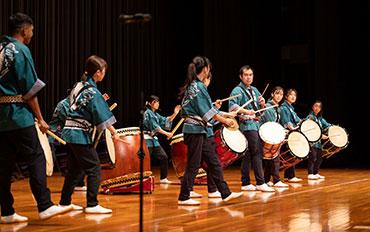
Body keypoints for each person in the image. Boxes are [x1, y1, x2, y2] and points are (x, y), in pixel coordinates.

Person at [0, 13, 72, 223]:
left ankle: (6, 211)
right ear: (24, 30)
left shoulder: (1, 48)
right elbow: (30, 90)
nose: (33, 33)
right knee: (36, 157)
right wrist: (40, 118)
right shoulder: (20, 50)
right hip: (18, 114)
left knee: (3, 166)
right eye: (31, 29)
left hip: (1, 117)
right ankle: (45, 205)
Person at [177, 56, 243, 205]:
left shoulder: (194, 86)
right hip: (194, 130)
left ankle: (225, 193)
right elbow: (208, 114)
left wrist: (221, 114)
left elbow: (207, 111)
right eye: (209, 69)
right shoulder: (198, 87)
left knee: (214, 162)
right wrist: (226, 120)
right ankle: (184, 196)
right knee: (194, 164)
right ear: (205, 69)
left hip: (199, 130)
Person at [58, 55, 119, 214]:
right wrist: (113, 132)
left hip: (69, 133)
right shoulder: (93, 92)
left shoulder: (78, 86)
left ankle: (65, 202)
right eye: (104, 71)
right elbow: (99, 113)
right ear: (98, 73)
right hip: (79, 135)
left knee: (75, 170)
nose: (104, 74)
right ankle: (92, 204)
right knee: (94, 168)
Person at [229, 65, 275, 192]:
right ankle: (260, 182)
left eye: (251, 75)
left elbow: (260, 110)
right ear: (241, 76)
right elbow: (233, 107)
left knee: (248, 154)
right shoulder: (237, 90)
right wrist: (246, 111)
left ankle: (245, 182)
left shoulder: (254, 90)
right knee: (256, 152)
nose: (249, 77)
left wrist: (262, 103)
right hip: (247, 125)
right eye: (246, 75)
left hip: (255, 125)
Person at [143, 95, 181, 184]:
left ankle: (163, 178)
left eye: (158, 102)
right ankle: (144, 179)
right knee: (146, 160)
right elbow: (156, 128)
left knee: (164, 157)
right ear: (150, 103)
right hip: (147, 140)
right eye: (155, 102)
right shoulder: (148, 113)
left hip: (154, 140)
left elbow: (166, 121)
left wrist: (175, 113)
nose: (157, 104)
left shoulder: (155, 114)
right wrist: (167, 133)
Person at [260, 86, 289, 188]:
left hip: (272, 133)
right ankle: (276, 180)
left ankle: (266, 179)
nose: (279, 96)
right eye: (277, 93)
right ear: (272, 94)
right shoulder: (268, 107)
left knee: (270, 159)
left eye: (281, 94)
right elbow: (270, 123)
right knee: (274, 158)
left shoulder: (277, 108)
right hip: (266, 134)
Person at [279, 88, 303, 182]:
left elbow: (298, 120)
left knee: (291, 154)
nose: (293, 97)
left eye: (295, 95)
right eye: (291, 95)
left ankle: (289, 176)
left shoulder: (291, 108)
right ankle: (289, 176)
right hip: (287, 134)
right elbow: (286, 122)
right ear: (286, 96)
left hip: (291, 133)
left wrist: (305, 122)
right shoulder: (284, 108)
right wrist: (292, 128)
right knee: (289, 155)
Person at [306, 101, 331, 180]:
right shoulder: (310, 117)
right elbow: (309, 129)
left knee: (319, 158)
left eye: (319, 107)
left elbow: (327, 125)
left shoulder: (320, 119)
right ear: (313, 107)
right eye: (316, 106)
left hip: (318, 142)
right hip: (312, 141)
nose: (317, 108)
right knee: (312, 157)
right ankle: (310, 173)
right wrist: (321, 136)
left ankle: (315, 172)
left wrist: (333, 129)